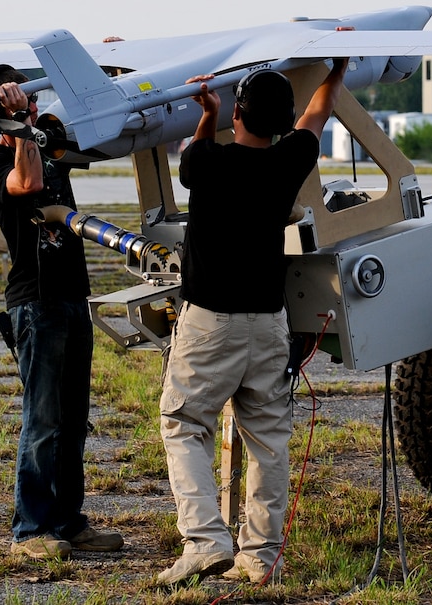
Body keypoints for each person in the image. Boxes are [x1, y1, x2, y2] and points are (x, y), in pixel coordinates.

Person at [156, 59, 349, 586]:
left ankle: (205, 542)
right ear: (282, 123)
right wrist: (336, 70)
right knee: (268, 440)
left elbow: (193, 156)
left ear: (236, 112)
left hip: (209, 324)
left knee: (184, 423)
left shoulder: (206, 164)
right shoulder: (289, 162)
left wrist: (206, 114)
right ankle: (261, 557)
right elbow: (319, 112)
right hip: (268, 326)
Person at [0, 64, 124, 560]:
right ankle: (30, 530)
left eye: (33, 105)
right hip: (34, 303)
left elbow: (102, 136)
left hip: (71, 299)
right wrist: (20, 126)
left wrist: (115, 76)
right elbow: (29, 180)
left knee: (74, 418)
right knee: (42, 420)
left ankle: (68, 520)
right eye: (21, 110)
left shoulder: (48, 149)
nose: (33, 112)